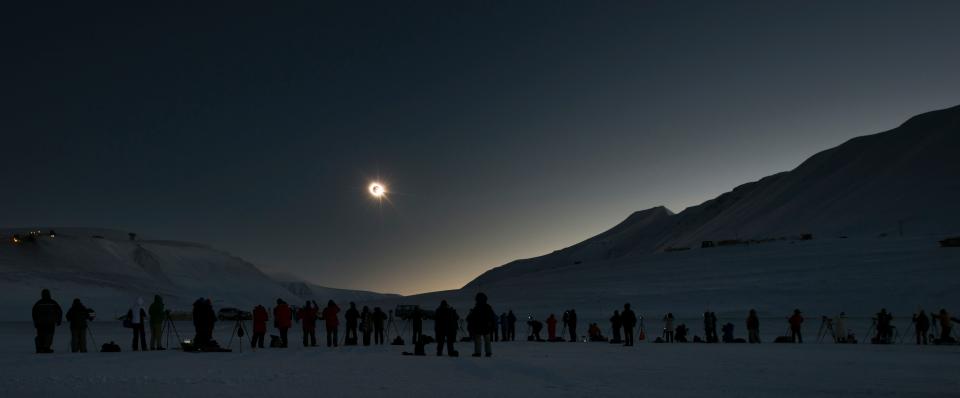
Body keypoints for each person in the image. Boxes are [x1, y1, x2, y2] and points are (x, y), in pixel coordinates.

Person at [32, 289, 63, 353]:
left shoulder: (38, 303)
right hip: (50, 322)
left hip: (40, 323)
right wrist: (58, 320)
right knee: (49, 335)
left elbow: (34, 313)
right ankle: (46, 348)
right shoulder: (53, 302)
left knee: (41, 335)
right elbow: (59, 311)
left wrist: (35, 322)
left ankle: (40, 348)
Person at [467, 292, 496, 357]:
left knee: (478, 340)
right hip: (486, 327)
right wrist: (492, 325)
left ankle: (478, 352)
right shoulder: (488, 307)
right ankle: (488, 352)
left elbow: (472, 318)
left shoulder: (476, 308)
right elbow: (492, 317)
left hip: (478, 327)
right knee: (487, 340)